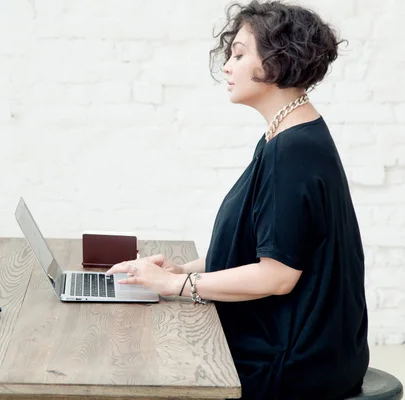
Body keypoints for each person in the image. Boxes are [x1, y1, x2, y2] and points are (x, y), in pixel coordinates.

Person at [105, 1, 370, 399]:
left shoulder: (293, 151)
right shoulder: (286, 135)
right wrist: (179, 270)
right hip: (302, 344)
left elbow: (278, 275)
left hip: (295, 360)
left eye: (240, 54)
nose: (227, 66)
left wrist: (180, 285)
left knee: (144, 362)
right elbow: (263, 247)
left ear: (278, 62)